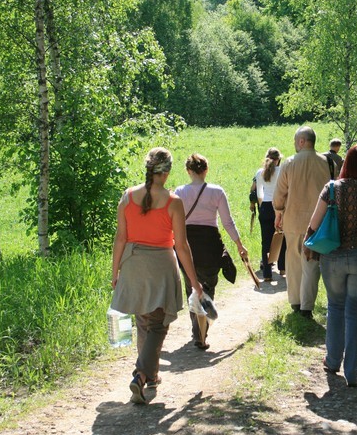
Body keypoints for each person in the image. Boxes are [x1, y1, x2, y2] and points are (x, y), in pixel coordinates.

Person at [111, 147, 203, 404]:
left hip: (131, 263)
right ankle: (140, 375)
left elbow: (120, 238)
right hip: (160, 265)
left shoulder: (127, 196)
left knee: (144, 319)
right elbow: (182, 246)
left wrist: (115, 271)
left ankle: (151, 374)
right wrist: (194, 282)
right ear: (168, 171)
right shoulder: (173, 202)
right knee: (158, 324)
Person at [304, 145, 357, 387]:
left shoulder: (331, 188)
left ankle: (332, 361)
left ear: (346, 164)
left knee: (336, 306)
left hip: (333, 257)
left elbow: (314, 223)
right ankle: (353, 372)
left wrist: (306, 244)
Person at [175, 153, 248, 350]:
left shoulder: (179, 192)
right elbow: (227, 222)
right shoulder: (217, 192)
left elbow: (172, 223)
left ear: (189, 171)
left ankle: (197, 330)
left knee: (192, 286)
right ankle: (202, 331)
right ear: (206, 170)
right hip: (210, 246)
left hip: (186, 245)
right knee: (207, 287)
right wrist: (239, 245)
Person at [273, 126, 332, 319]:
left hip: (293, 220)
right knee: (312, 264)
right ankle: (307, 306)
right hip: (319, 223)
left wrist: (279, 212)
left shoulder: (289, 163)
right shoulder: (328, 163)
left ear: (301, 141)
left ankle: (296, 302)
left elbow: (279, 195)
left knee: (293, 262)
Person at [251, 148, 287, 281]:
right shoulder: (283, 170)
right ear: (278, 159)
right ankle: (282, 268)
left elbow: (259, 194)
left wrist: (262, 207)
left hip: (265, 207)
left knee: (265, 242)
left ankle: (267, 273)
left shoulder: (260, 172)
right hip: (279, 206)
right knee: (282, 238)